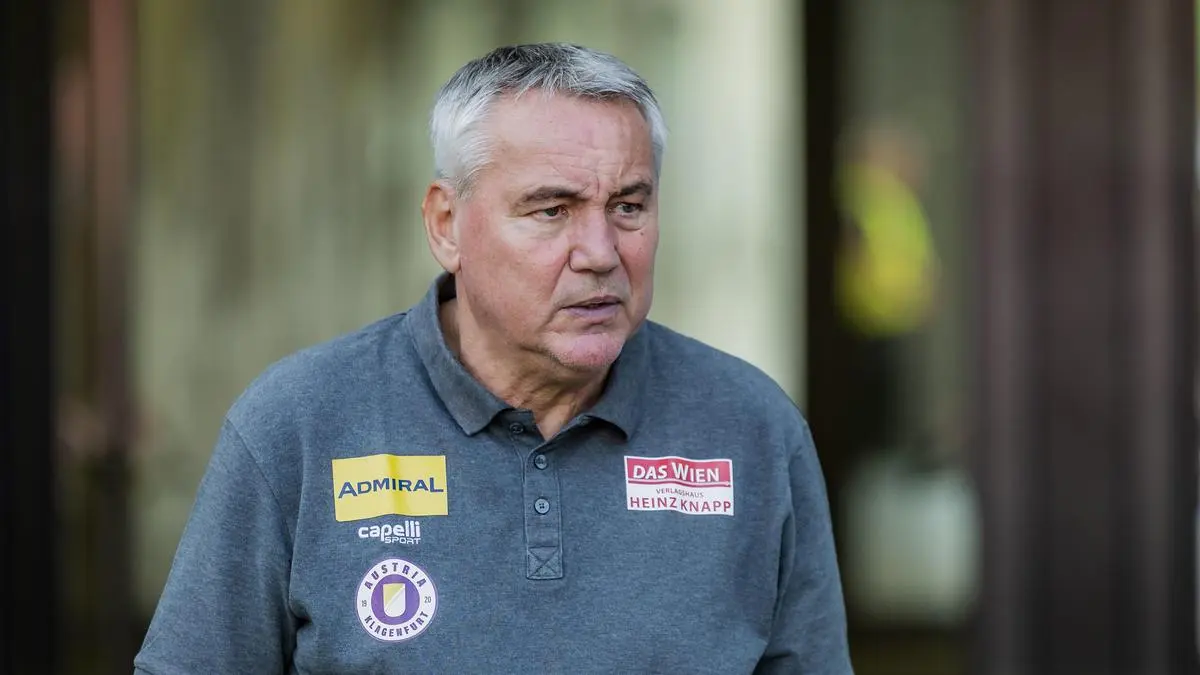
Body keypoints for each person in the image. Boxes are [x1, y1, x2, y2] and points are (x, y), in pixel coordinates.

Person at [134, 43, 852, 674]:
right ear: (447, 225)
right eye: (552, 210)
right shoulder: (299, 425)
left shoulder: (752, 428)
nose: (600, 252)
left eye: (629, 207)